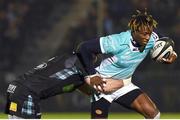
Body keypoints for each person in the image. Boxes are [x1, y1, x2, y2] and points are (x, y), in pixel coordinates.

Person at [76, 10, 177, 119]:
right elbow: (84, 48)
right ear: (134, 31)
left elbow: (163, 42)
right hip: (103, 84)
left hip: (124, 85)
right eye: (145, 34)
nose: (148, 37)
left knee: (154, 114)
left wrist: (171, 54)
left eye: (150, 32)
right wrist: (93, 75)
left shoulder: (152, 38)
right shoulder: (118, 41)